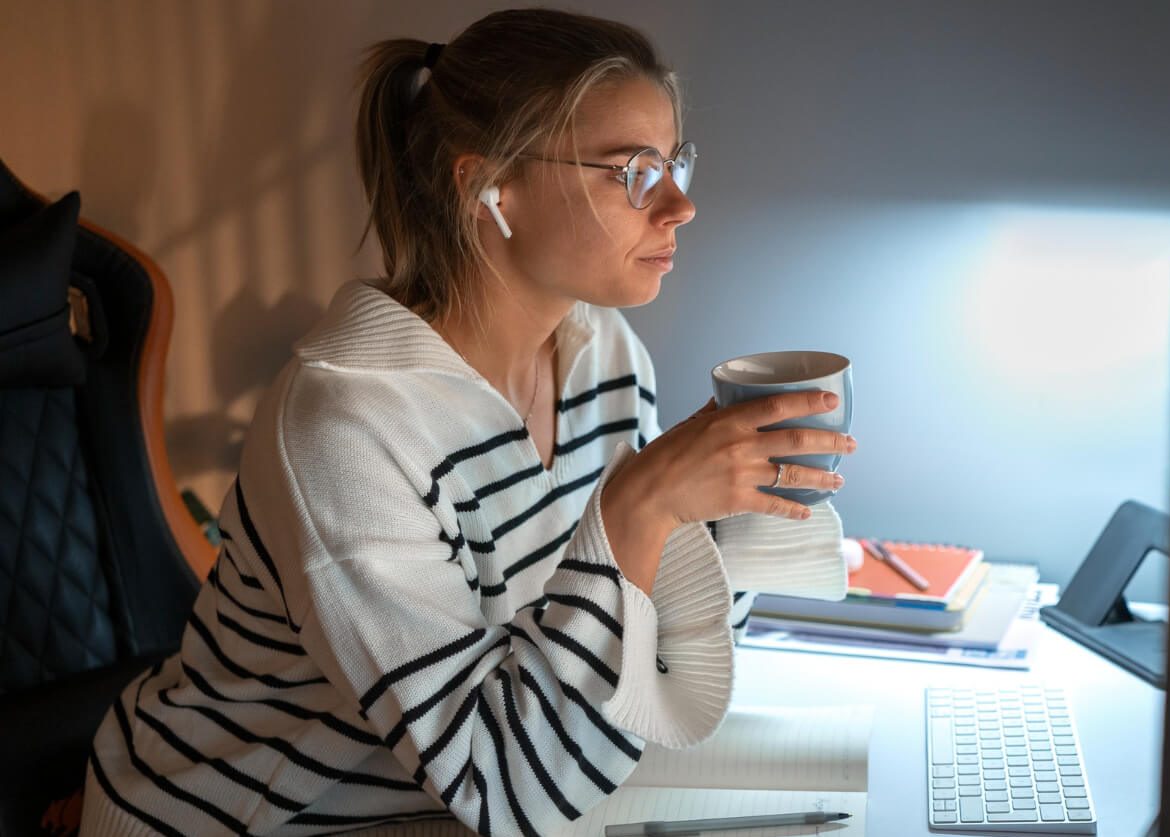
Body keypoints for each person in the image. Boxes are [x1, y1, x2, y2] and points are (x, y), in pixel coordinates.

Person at [81, 8, 854, 836]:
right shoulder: (347, 425)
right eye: (633, 172)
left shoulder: (602, 354)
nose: (677, 206)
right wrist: (639, 508)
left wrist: (726, 508)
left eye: (674, 164)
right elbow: (503, 784)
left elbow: (644, 658)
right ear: (488, 189)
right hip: (260, 818)